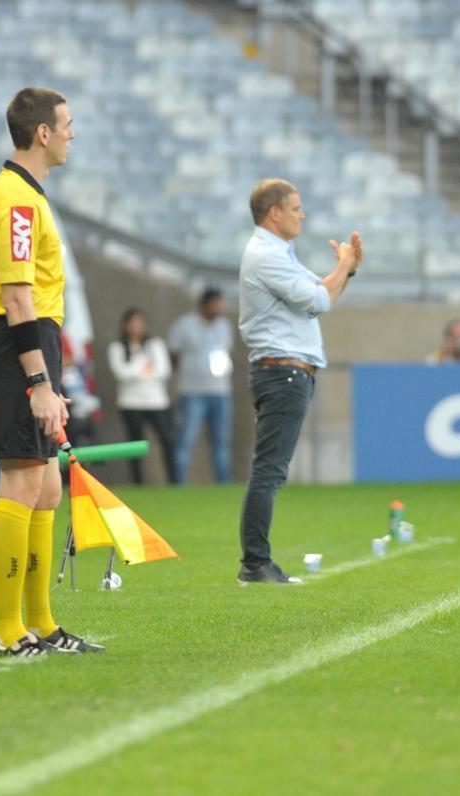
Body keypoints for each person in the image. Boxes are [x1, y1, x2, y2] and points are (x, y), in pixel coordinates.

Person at [0, 87, 103, 657]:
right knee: (23, 481)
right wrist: (40, 382)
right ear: (42, 133)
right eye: (67, 124)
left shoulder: (10, 192)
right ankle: (7, 632)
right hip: (18, 344)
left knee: (47, 487)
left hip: (30, 344)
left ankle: (42, 625)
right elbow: (18, 298)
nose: (73, 133)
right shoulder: (18, 201)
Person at [236, 178, 362, 586]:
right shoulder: (266, 256)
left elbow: (320, 294)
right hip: (282, 372)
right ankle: (255, 562)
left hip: (286, 371)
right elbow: (320, 300)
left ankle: (257, 561)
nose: (301, 214)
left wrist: (348, 270)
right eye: (295, 208)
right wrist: (343, 266)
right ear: (274, 213)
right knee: (268, 470)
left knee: (270, 470)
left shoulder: (276, 253)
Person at [168, 288, 234, 484]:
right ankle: (179, 483)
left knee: (221, 442)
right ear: (205, 305)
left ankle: (223, 484)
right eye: (216, 304)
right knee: (186, 440)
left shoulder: (224, 326)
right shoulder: (184, 325)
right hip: (193, 392)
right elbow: (173, 353)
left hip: (221, 391)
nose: (219, 308)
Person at [107, 307, 176, 485]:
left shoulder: (155, 345)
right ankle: (138, 483)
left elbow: (163, 371)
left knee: (167, 440)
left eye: (140, 322)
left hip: (157, 401)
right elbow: (121, 373)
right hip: (131, 402)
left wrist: (138, 371)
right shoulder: (117, 347)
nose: (137, 327)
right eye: (133, 322)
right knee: (135, 443)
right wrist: (144, 368)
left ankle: (174, 481)